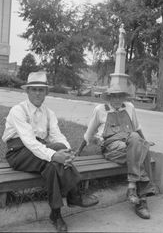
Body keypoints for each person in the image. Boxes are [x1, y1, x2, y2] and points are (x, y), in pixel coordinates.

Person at [2, 71, 98, 232]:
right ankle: (74, 195)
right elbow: (30, 142)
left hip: (40, 151)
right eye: (34, 89)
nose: (38, 93)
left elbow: (56, 135)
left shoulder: (49, 113)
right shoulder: (18, 111)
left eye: (41, 89)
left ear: (46, 92)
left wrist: (66, 151)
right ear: (27, 91)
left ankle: (56, 214)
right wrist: (55, 154)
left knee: (52, 166)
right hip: (18, 152)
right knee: (54, 157)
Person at [73, 85, 158, 220]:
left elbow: (137, 127)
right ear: (109, 97)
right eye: (114, 96)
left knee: (137, 141)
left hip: (130, 143)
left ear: (124, 97)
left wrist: (145, 141)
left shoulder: (130, 107)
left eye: (120, 96)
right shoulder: (100, 110)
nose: (117, 99)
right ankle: (141, 200)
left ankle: (134, 191)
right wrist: (78, 150)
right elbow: (89, 133)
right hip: (111, 147)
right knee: (142, 151)